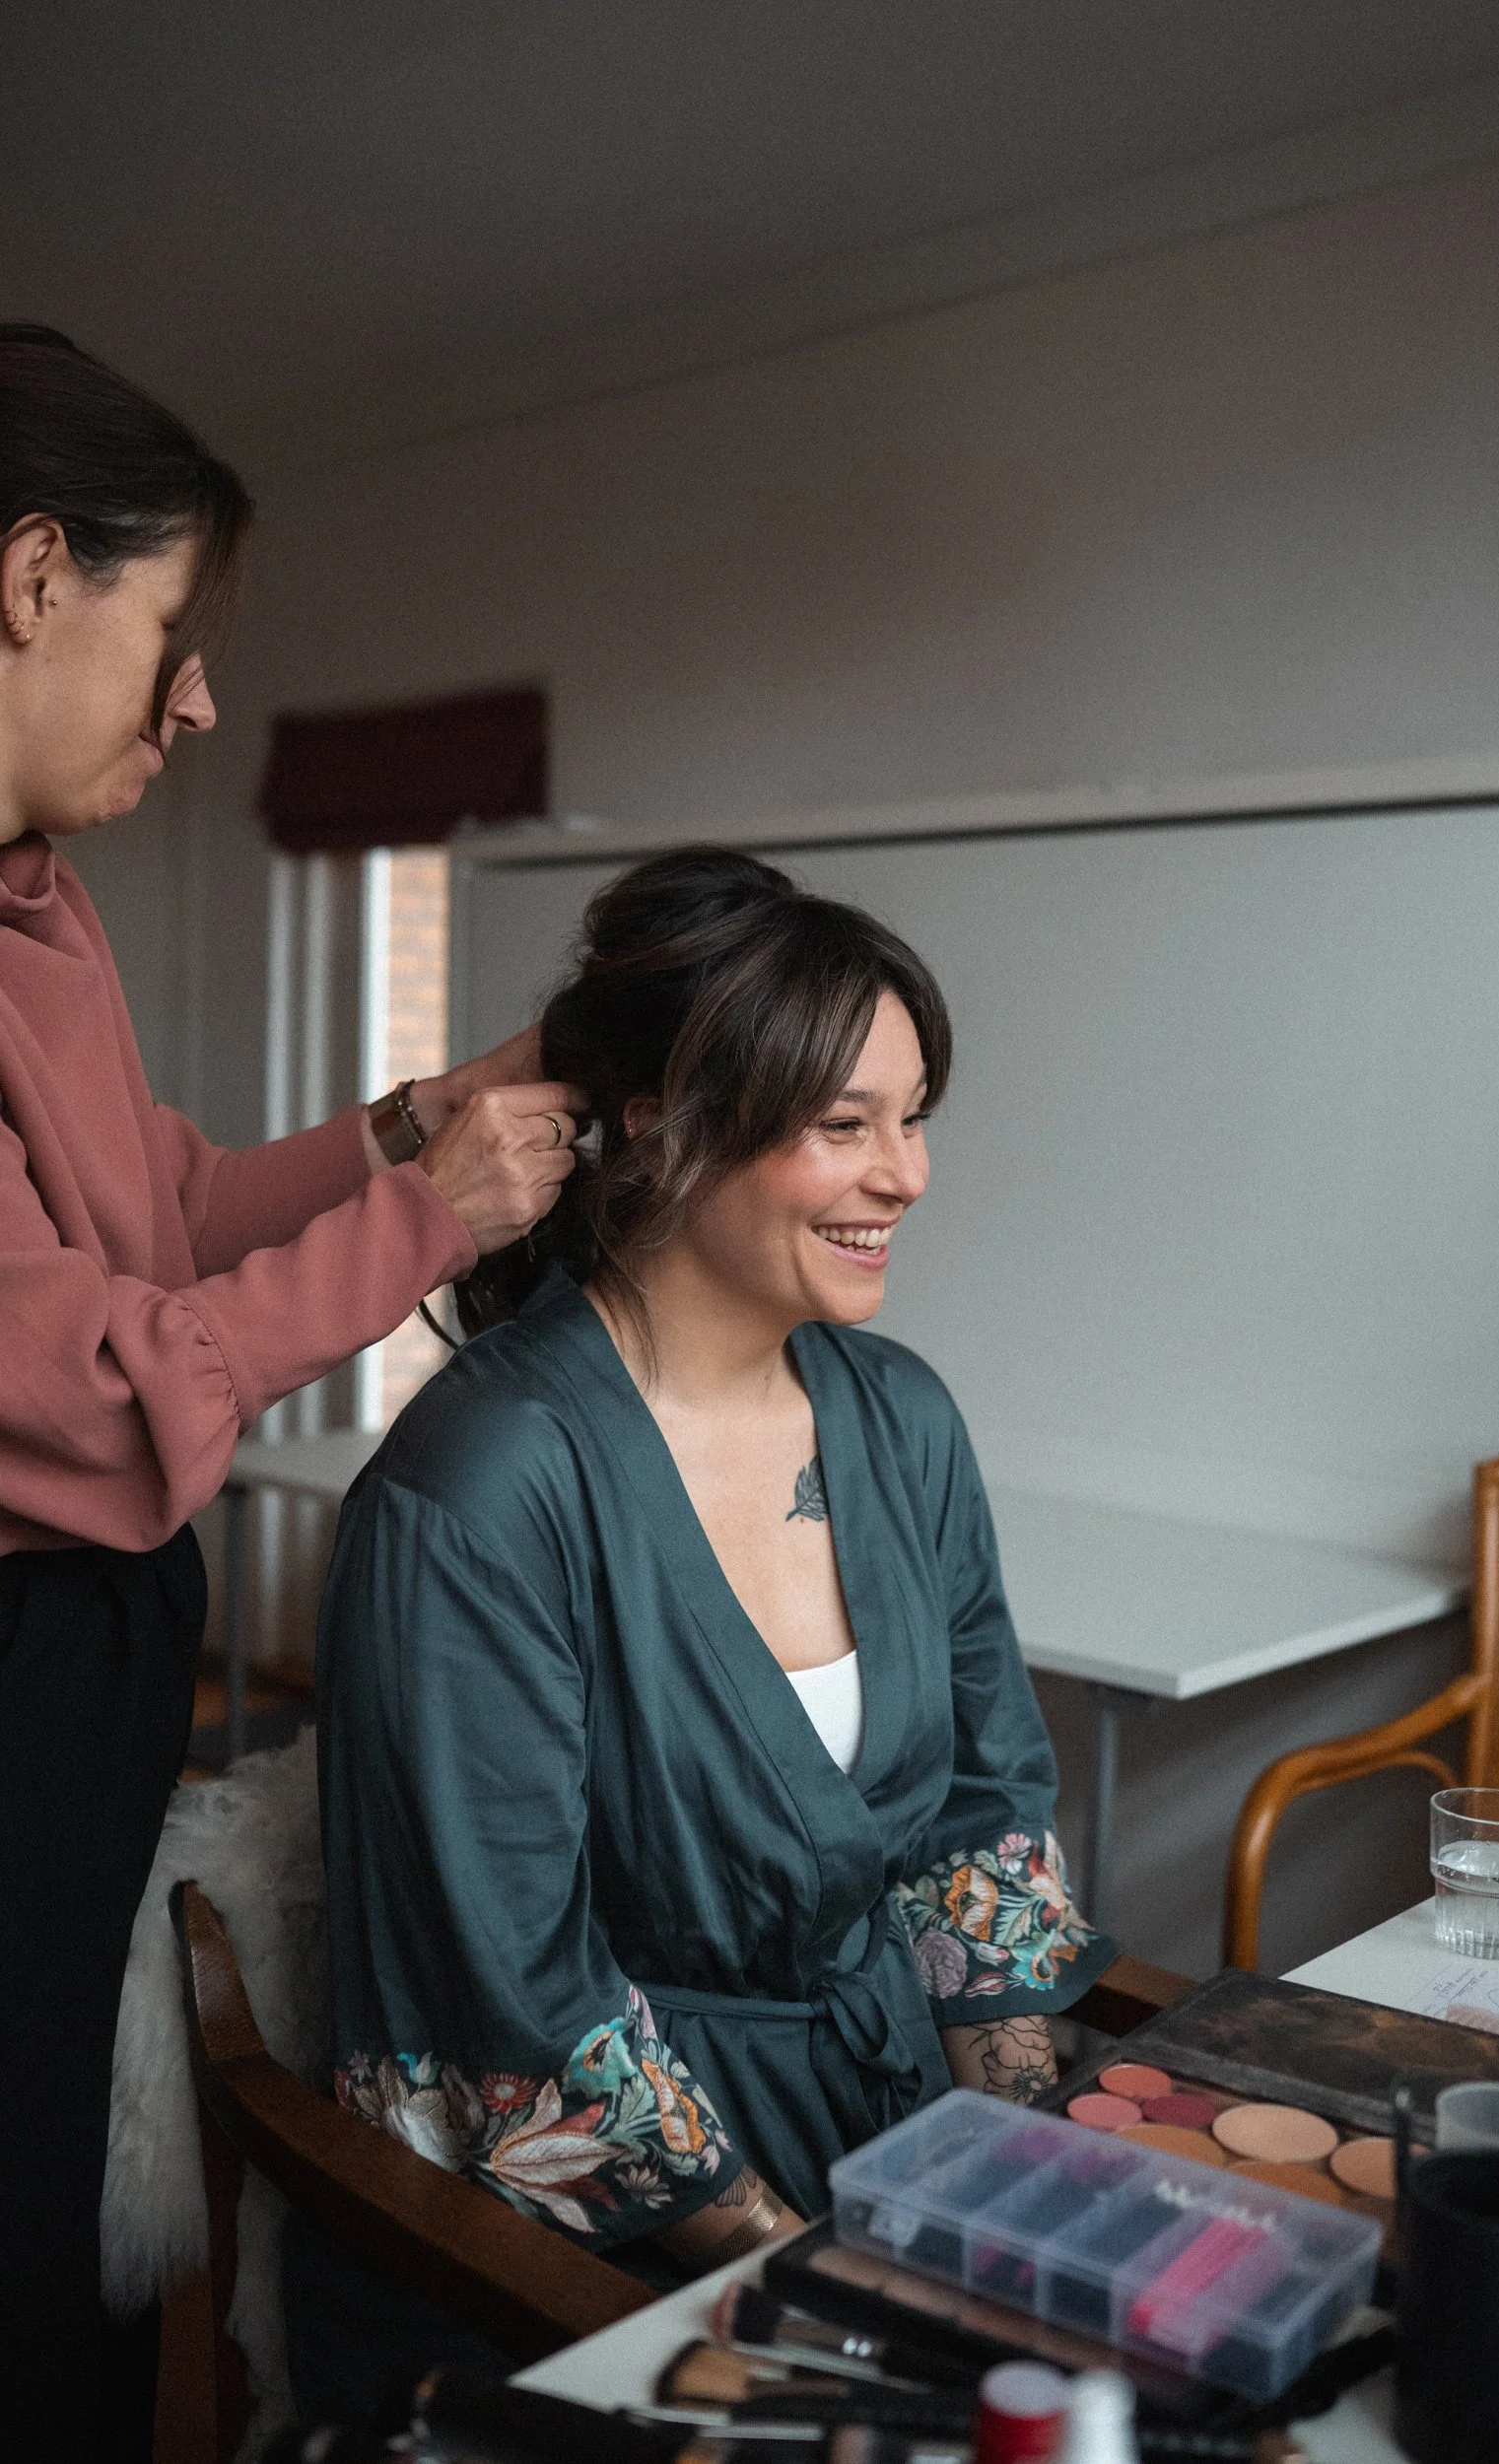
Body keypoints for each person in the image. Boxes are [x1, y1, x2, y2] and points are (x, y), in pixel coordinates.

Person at [0, 324, 579, 2459]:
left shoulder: (37, 913)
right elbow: (89, 1364)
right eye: (177, 630)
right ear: (31, 573)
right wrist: (430, 1218)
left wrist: (410, 1115)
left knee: (51, 2132)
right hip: (21, 1637)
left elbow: (163, 1203)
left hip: (88, 1636)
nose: (202, 699)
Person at [313, 847, 1117, 2347]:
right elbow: (516, 1993)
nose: (908, 1174)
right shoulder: (482, 1486)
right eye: (843, 1125)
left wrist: (1016, 2165)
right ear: (660, 1126)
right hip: (591, 2235)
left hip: (884, 2138)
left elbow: (976, 1816)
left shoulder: (900, 1420)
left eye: (914, 1119)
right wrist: (813, 2272)